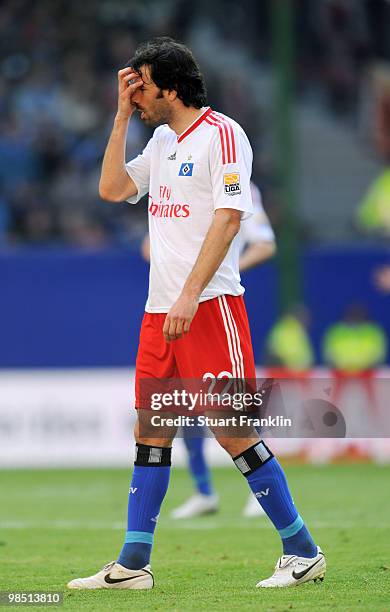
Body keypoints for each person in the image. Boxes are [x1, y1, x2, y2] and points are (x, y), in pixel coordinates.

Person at [67, 37, 325, 591]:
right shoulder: (160, 142)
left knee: (233, 432)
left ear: (172, 85)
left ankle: (303, 550)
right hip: (159, 313)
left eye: (141, 85)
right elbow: (111, 188)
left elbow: (230, 219)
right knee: (151, 430)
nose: (135, 95)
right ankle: (133, 565)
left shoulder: (223, 135)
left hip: (209, 307)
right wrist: (119, 116)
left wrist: (188, 295)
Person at [142, 182, 276, 520]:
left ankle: (259, 493)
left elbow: (264, 244)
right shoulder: (172, 177)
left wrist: (220, 269)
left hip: (219, 304)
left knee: (231, 411)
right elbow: (148, 244)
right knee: (180, 406)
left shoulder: (240, 188)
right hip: (174, 306)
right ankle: (204, 491)